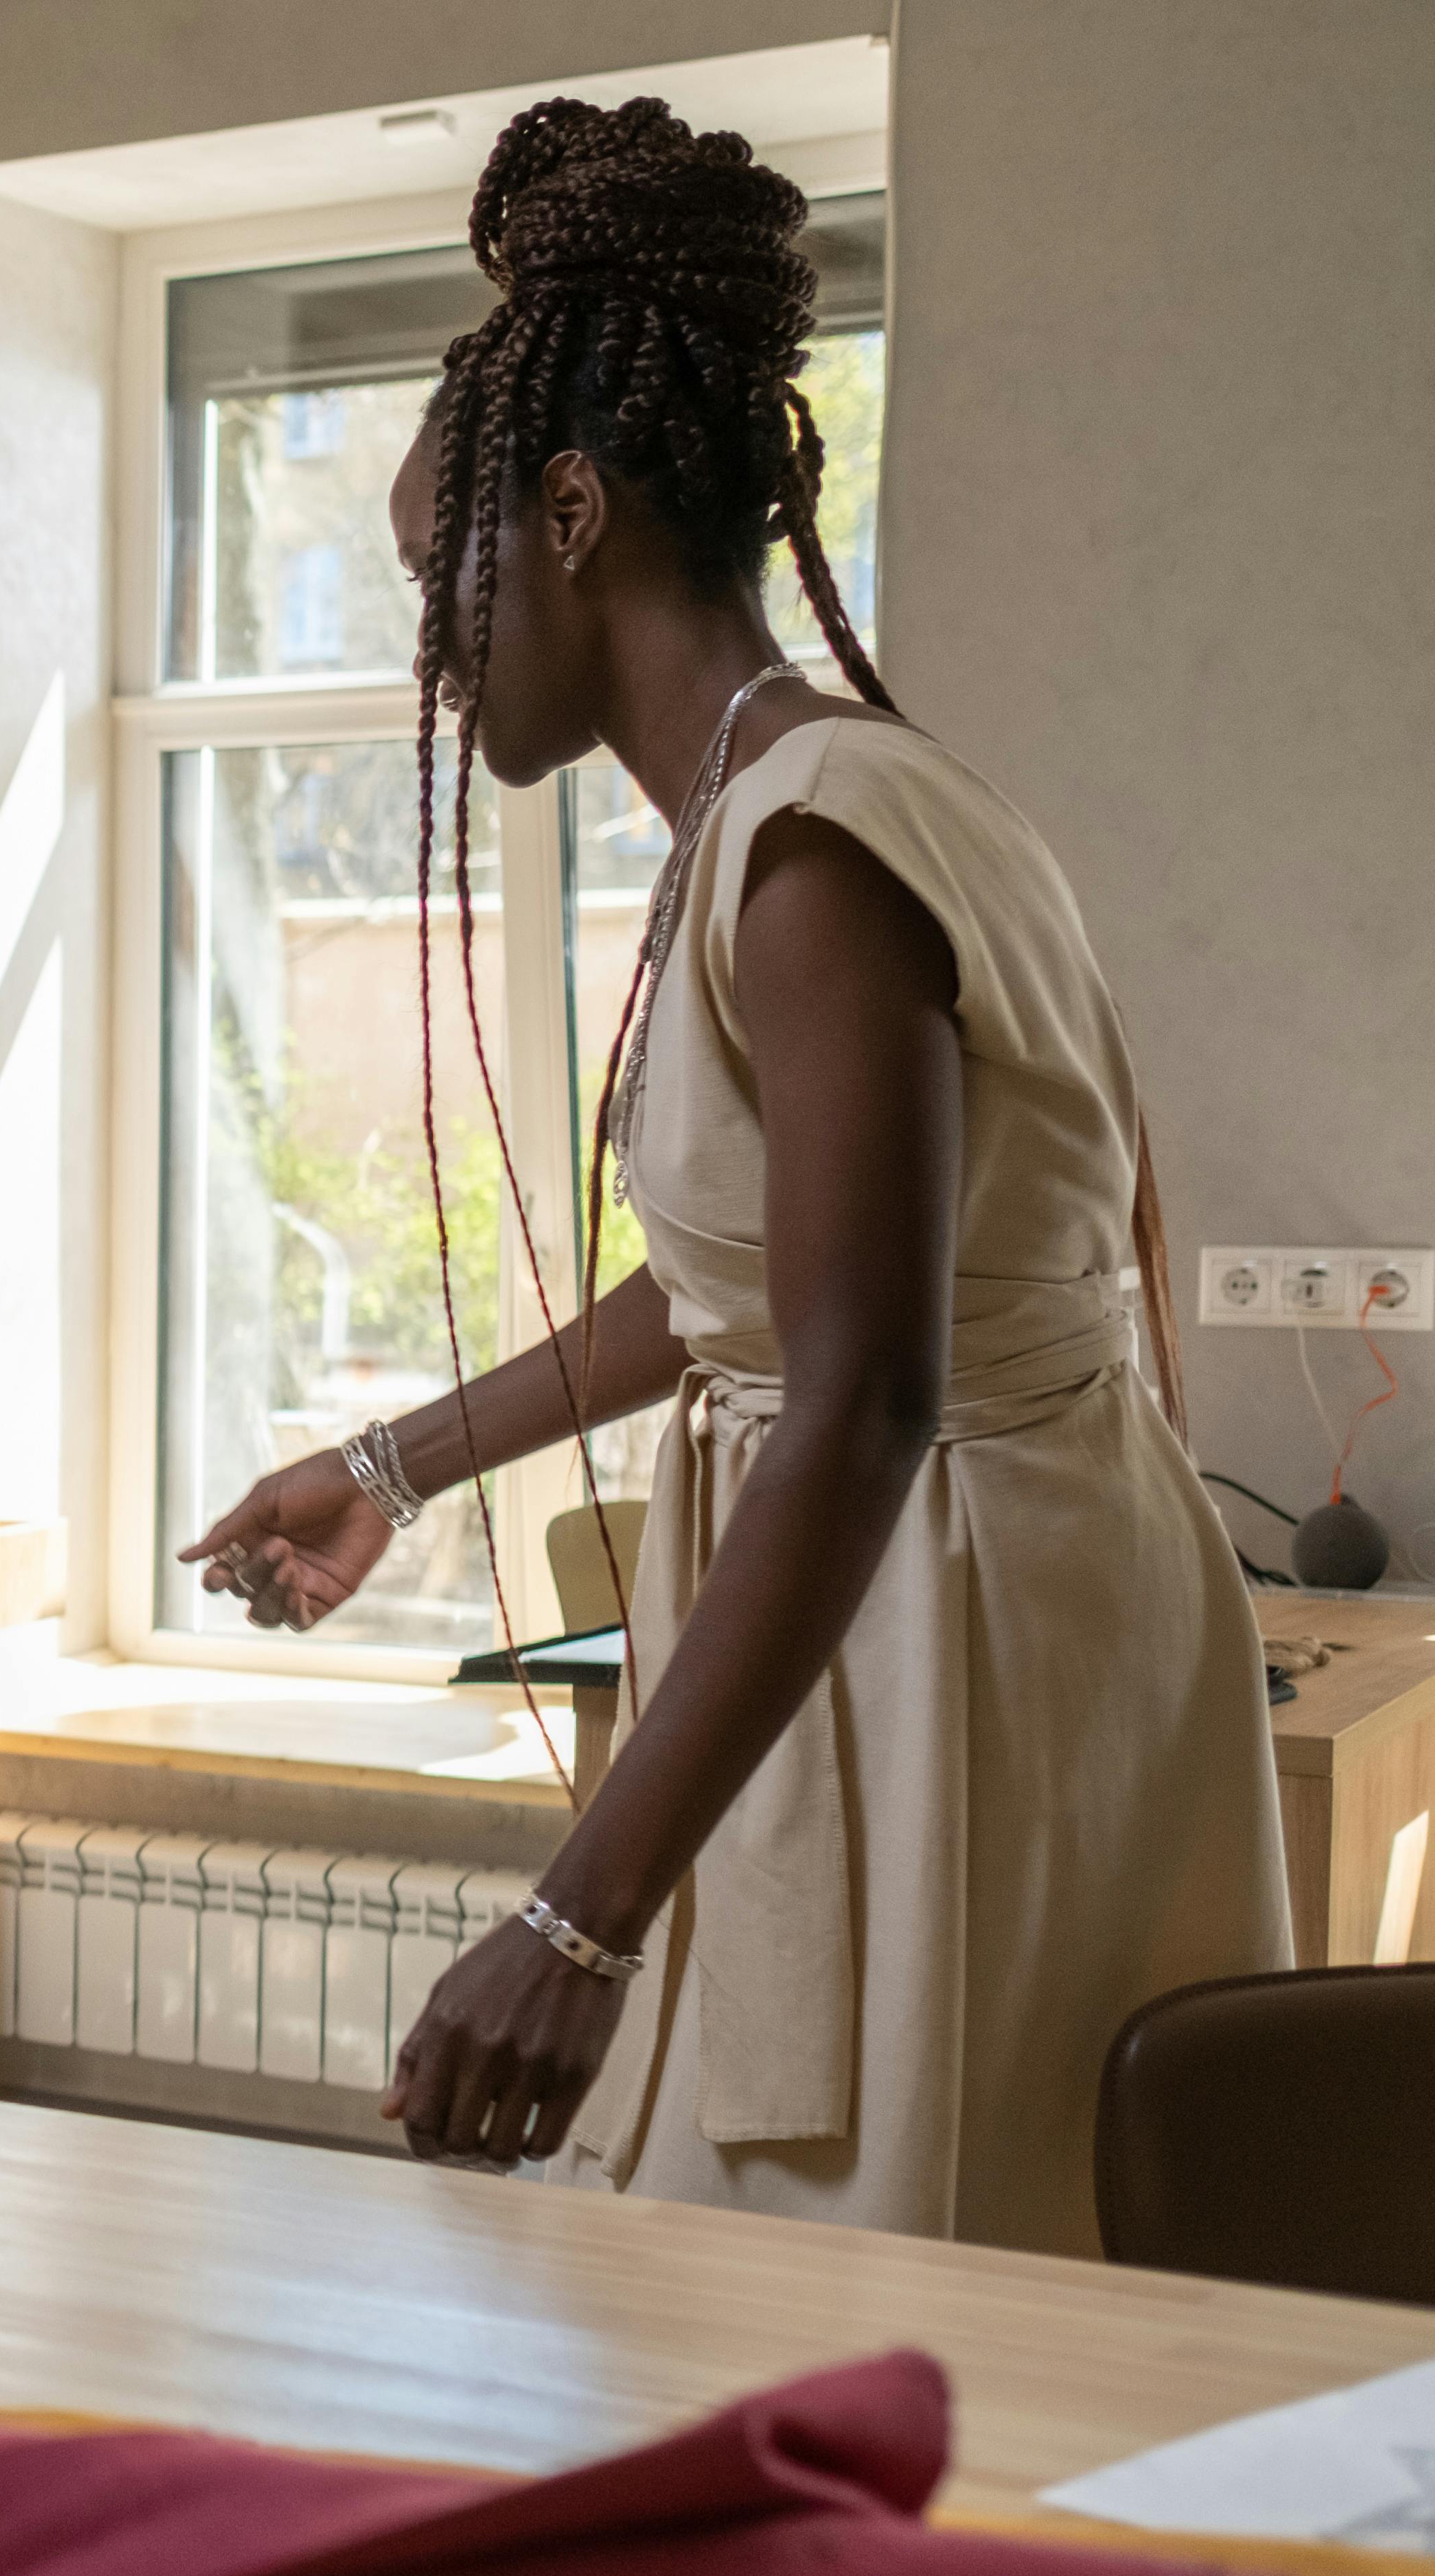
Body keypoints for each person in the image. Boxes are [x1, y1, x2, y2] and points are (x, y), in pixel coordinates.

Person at [175, 97, 1283, 2255]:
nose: (430, 639)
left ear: (571, 515)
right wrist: (396, 1465)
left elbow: (857, 1393)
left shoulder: (816, 842)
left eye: (436, 573)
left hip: (940, 1629)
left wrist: (575, 1932)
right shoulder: (793, 811)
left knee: (923, 2265)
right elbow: (739, 1292)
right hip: (909, 1602)